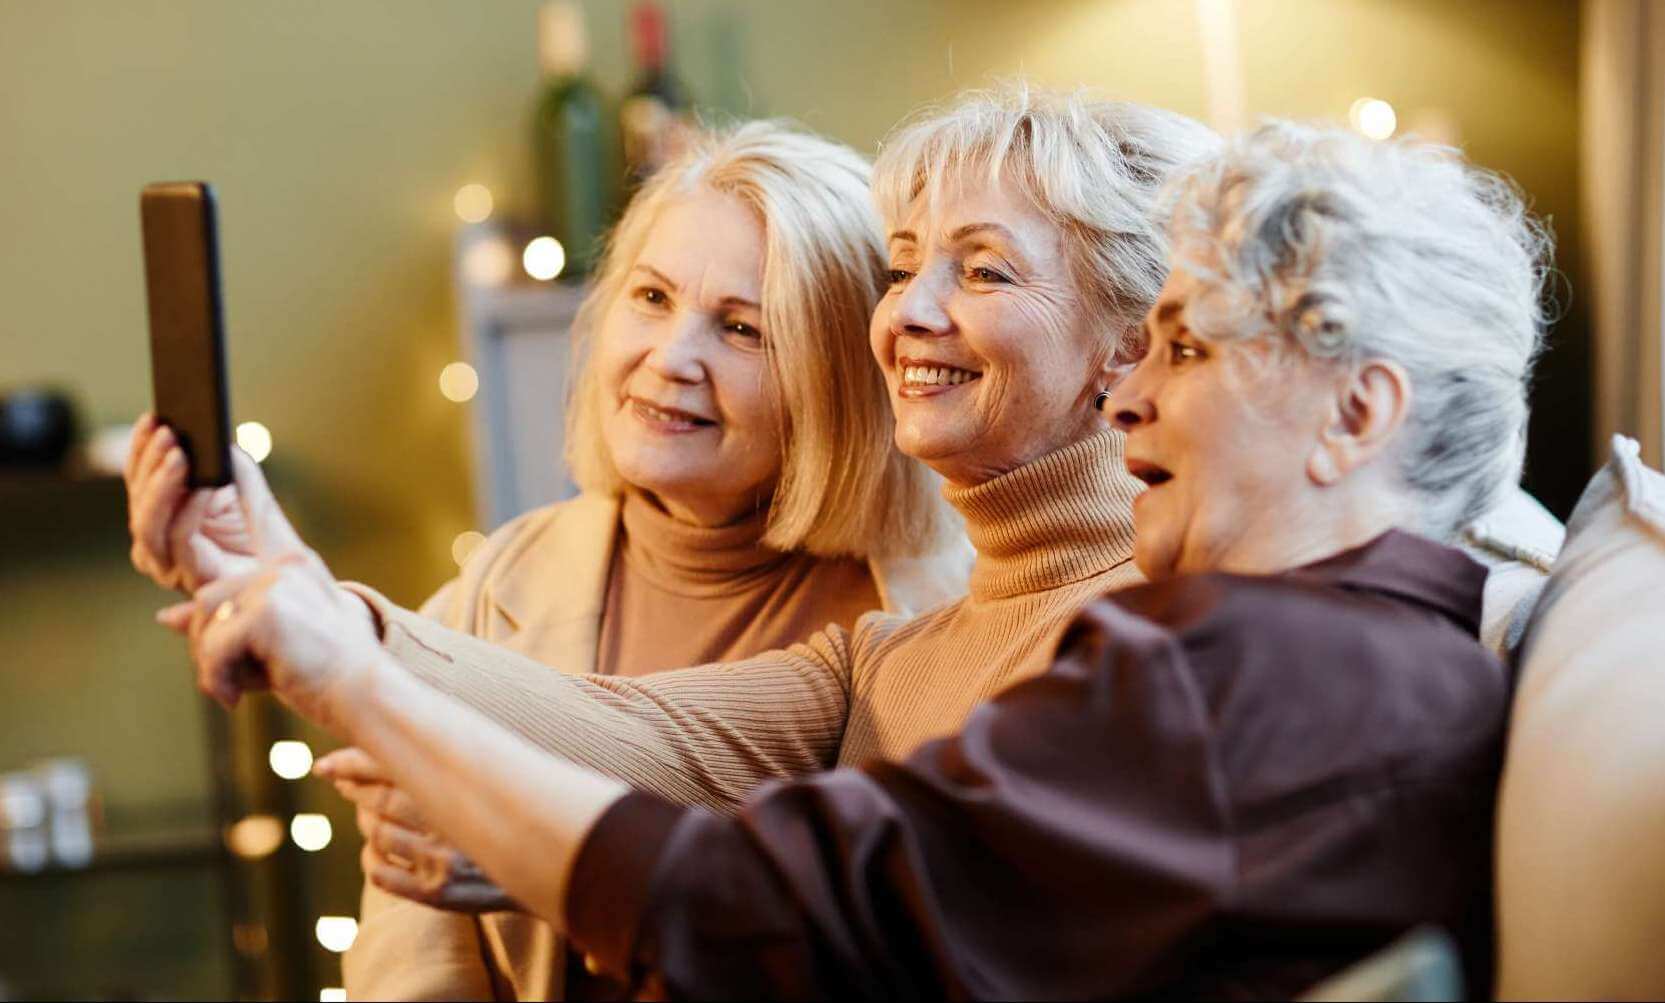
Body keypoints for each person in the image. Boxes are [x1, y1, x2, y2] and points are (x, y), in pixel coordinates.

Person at [161, 117, 1546, 998]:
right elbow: (641, 742)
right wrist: (298, 601)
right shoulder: (947, 646)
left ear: (1359, 413)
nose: (1137, 399)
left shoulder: (1223, 654)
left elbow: (757, 900)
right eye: (903, 263)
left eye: (1178, 350)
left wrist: (365, 687)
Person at [123, 122, 969, 1000]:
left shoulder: (921, 628)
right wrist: (265, 584)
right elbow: (407, 958)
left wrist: (523, 852)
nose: (670, 358)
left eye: (743, 330)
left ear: (837, 373)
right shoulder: (508, 575)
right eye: (649, 297)